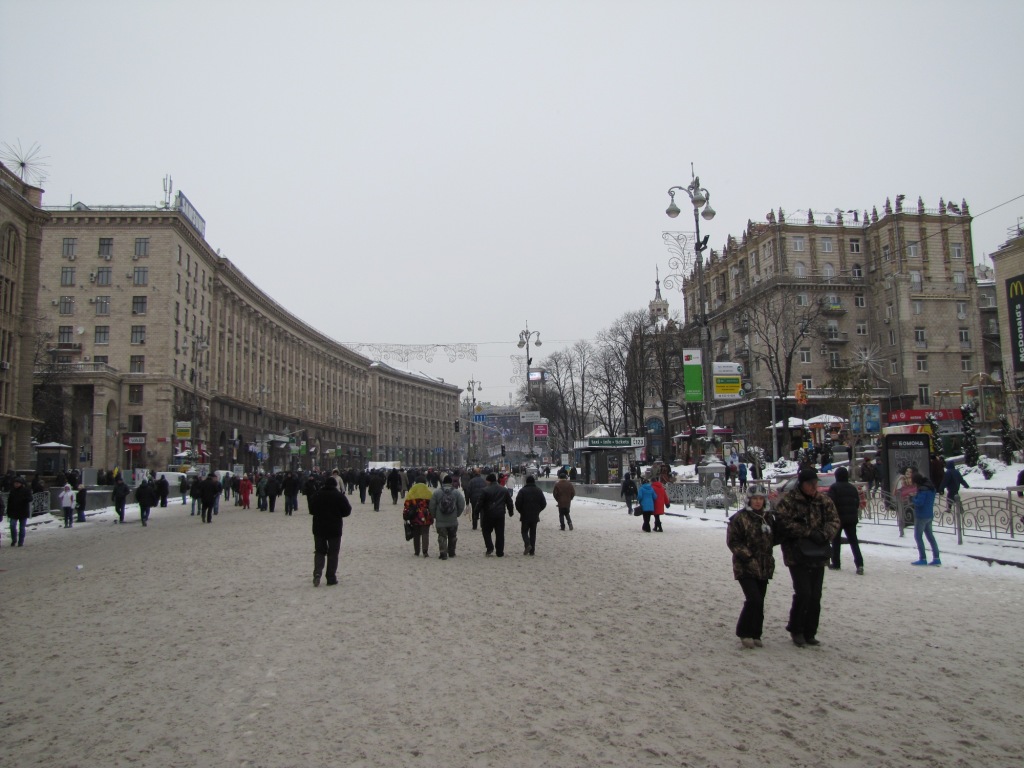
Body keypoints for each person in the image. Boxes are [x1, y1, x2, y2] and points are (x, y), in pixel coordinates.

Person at [773, 467, 841, 647]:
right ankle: (796, 629)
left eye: (815, 483)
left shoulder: (823, 501)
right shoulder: (789, 501)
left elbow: (834, 520)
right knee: (804, 592)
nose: (813, 487)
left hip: (818, 553)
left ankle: (810, 631)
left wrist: (824, 534)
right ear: (802, 484)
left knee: (815, 595)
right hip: (796, 554)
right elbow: (782, 522)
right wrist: (808, 532)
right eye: (810, 484)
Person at [726, 485, 778, 649]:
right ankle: (744, 631)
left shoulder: (768, 518)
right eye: (755, 498)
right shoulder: (740, 518)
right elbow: (733, 541)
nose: (758, 502)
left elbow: (774, 538)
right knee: (753, 598)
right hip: (745, 565)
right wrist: (748, 556)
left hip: (764, 565)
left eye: (761, 498)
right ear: (749, 500)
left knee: (760, 600)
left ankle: (756, 633)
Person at [309, 476, 352, 586]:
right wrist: (338, 514)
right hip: (334, 528)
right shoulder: (339, 496)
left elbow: (311, 509)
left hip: (319, 528)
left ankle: (317, 573)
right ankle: (331, 577)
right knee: (333, 553)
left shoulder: (317, 495)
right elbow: (347, 511)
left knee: (319, 551)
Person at [826, 466, 864, 575]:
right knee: (854, 542)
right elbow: (856, 503)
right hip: (851, 519)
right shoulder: (852, 488)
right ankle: (859, 564)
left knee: (836, 541)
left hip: (838, 519)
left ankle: (836, 563)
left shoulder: (834, 488)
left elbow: (830, 503)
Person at [428, 475, 465, 560]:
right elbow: (461, 504)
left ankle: (443, 552)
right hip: (453, 519)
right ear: (451, 482)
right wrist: (457, 514)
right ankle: (451, 552)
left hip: (440, 520)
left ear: (443, 482)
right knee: (452, 536)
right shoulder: (456, 492)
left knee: (442, 536)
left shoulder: (437, 492)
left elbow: (432, 506)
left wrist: (435, 515)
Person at [478, 473, 513, 556]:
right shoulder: (504, 490)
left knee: (486, 531)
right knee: (500, 533)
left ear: (489, 481)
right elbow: (509, 502)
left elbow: (480, 503)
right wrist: (510, 511)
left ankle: (489, 547)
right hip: (500, 514)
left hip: (488, 514)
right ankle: (499, 551)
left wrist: (476, 513)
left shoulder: (485, 490)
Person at [911, 472, 941, 566]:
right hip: (929, 515)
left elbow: (919, 502)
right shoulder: (931, 488)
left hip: (921, 516)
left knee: (918, 536)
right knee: (930, 537)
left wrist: (912, 498)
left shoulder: (922, 490)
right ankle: (936, 558)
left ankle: (922, 558)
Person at [402, 475, 435, 557]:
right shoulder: (428, 491)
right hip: (426, 516)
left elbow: (406, 505)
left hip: (415, 516)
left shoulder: (412, 491)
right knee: (425, 533)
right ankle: (425, 551)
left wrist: (405, 515)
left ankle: (417, 551)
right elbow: (432, 505)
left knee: (416, 534)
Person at [514, 474, 547, 556]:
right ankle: (532, 550)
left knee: (524, 531)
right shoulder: (538, 490)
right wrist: (538, 510)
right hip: (535, 515)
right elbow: (544, 503)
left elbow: (517, 503)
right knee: (533, 533)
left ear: (526, 482)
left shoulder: (522, 491)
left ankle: (527, 543)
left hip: (525, 515)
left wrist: (521, 511)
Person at [7, 476, 32, 546]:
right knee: (12, 525)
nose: (16, 484)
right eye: (15, 483)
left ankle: (21, 542)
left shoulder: (26, 490)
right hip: (13, 512)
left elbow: (30, 498)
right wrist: (8, 511)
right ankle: (14, 539)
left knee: (22, 527)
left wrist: (24, 499)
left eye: (17, 483)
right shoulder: (12, 491)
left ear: (21, 484)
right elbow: (9, 502)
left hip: (23, 512)